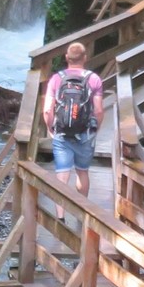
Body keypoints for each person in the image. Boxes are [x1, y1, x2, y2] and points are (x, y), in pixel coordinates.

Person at [43, 41, 105, 197]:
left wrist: (50, 128)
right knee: (82, 172)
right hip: (85, 132)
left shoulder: (56, 79)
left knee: (62, 173)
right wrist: (95, 129)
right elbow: (98, 110)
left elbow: (47, 110)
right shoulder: (94, 79)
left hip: (61, 131)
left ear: (66, 57)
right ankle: (82, 212)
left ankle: (60, 214)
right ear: (85, 57)